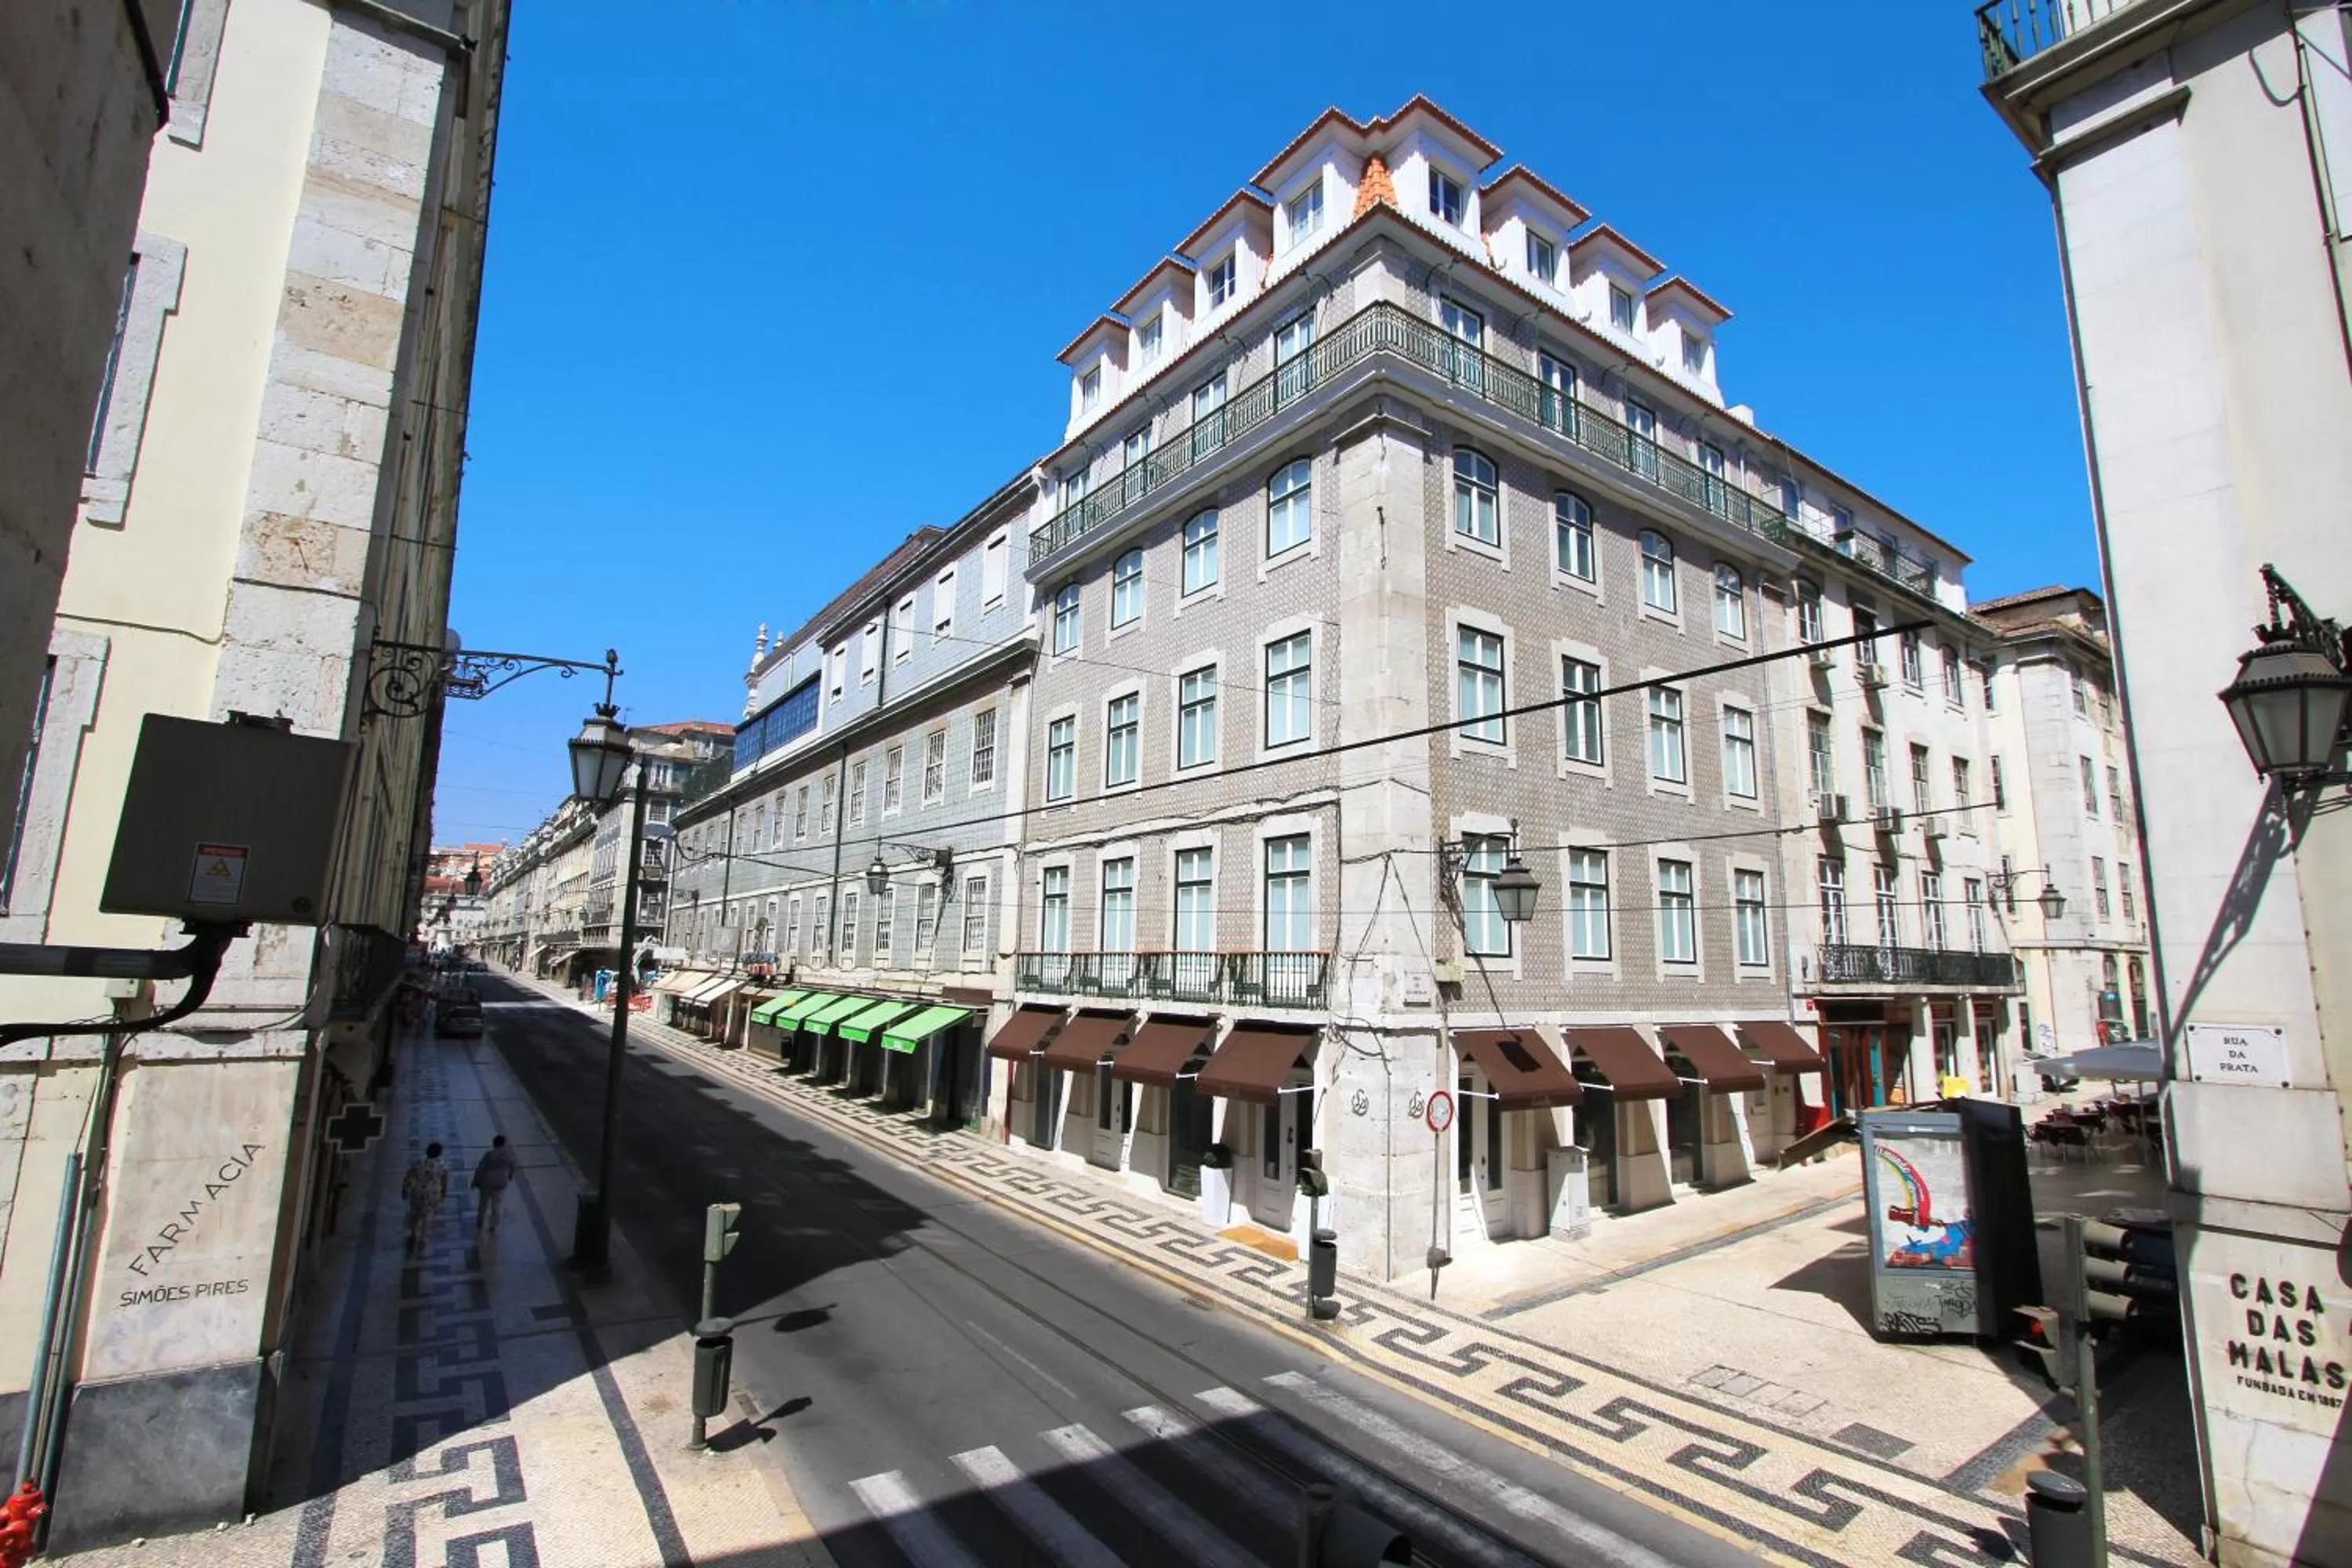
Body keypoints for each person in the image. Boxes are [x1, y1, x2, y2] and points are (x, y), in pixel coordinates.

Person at [401, 1141, 448, 1251]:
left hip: (417, 1193)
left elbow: (409, 1177)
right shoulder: (441, 1165)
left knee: (415, 1214)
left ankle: (413, 1233)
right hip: (432, 1194)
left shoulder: (418, 1163)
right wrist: (444, 1194)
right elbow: (444, 1181)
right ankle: (423, 1239)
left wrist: (404, 1190)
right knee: (427, 1217)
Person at [471, 1134, 520, 1232]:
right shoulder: (510, 1155)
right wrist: (510, 1176)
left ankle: (480, 1222)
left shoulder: (489, 1155)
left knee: (483, 1203)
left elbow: (481, 1169)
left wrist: (475, 1181)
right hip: (501, 1182)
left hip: (486, 1181)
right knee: (497, 1204)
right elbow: (513, 1167)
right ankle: (493, 1225)